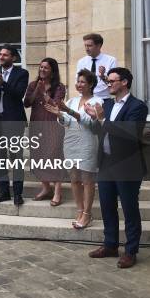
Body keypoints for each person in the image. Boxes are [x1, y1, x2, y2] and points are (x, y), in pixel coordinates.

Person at [85, 67, 148, 268]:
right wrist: (94, 119)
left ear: (125, 82)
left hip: (127, 166)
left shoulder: (138, 106)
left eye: (113, 80)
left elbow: (128, 134)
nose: (109, 83)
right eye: (108, 80)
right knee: (107, 207)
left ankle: (130, 251)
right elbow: (100, 130)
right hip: (106, 164)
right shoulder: (108, 105)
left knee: (129, 209)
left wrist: (102, 119)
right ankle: (110, 245)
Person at [45, 69, 102, 229]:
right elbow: (67, 123)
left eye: (83, 82)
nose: (79, 84)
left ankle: (87, 214)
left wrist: (68, 112)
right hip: (70, 143)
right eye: (78, 81)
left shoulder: (97, 102)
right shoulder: (71, 101)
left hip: (87, 143)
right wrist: (60, 115)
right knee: (74, 179)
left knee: (87, 181)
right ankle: (80, 210)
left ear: (91, 84)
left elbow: (92, 124)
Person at [0, 44, 29, 206]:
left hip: (14, 121)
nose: (1, 57)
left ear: (13, 58)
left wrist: (3, 83)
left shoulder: (22, 73)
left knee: (15, 158)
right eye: (0, 55)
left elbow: (18, 95)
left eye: (5, 55)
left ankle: (17, 194)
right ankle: (3, 192)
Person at [23, 58, 67, 206]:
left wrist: (44, 93)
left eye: (46, 68)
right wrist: (37, 90)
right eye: (41, 67)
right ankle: (46, 187)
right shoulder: (32, 85)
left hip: (53, 126)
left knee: (54, 157)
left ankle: (57, 192)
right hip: (37, 125)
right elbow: (27, 103)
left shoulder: (59, 87)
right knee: (38, 156)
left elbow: (57, 104)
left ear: (53, 71)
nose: (42, 70)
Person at [76, 33, 117, 100]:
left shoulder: (111, 60)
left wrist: (103, 76)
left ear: (99, 46)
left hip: (104, 99)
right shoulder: (81, 62)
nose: (86, 48)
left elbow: (113, 84)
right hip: (85, 99)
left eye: (89, 46)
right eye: (85, 46)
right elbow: (77, 81)